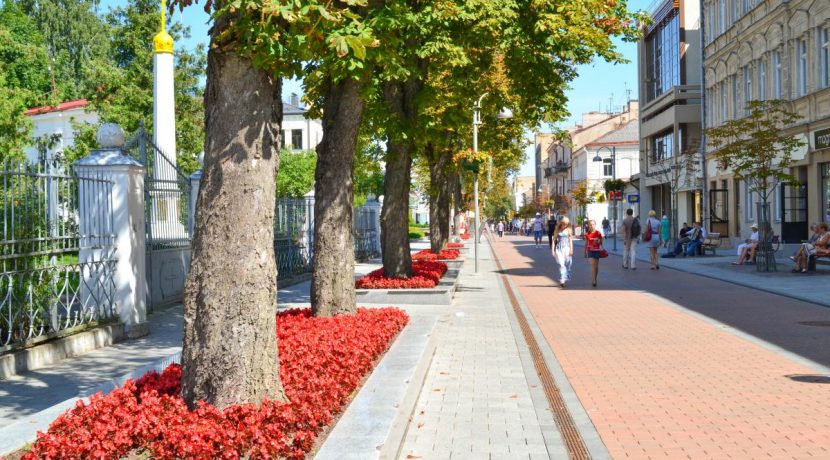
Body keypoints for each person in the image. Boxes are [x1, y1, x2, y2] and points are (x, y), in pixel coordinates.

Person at [553, 216, 574, 287]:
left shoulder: (568, 230)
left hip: (567, 248)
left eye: (566, 224)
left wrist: (571, 250)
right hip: (559, 249)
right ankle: (562, 279)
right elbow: (554, 241)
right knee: (561, 264)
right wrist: (553, 250)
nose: (565, 225)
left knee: (568, 264)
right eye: (564, 224)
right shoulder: (557, 230)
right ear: (561, 223)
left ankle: (565, 277)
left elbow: (570, 240)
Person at [584, 219, 603, 287]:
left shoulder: (598, 233)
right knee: (592, 265)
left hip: (597, 250)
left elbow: (601, 242)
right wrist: (585, 252)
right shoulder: (587, 234)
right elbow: (586, 243)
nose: (592, 226)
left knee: (596, 267)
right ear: (588, 226)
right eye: (590, 225)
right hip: (590, 251)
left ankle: (595, 278)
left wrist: (599, 241)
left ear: (595, 225)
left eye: (593, 224)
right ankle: (593, 280)